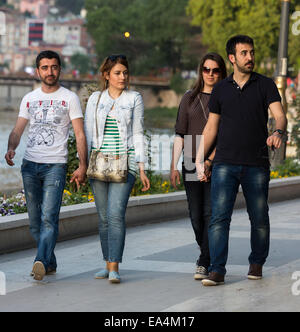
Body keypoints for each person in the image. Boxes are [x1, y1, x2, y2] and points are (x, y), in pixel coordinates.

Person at [196, 35, 287, 286]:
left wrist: (278, 132)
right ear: (233, 58)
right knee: (219, 218)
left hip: (256, 163)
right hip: (224, 163)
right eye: (244, 53)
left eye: (252, 52)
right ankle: (216, 270)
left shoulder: (265, 84)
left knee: (259, 216)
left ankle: (256, 263)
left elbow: (280, 116)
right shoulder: (221, 89)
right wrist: (199, 159)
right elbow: (211, 127)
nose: (250, 57)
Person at [5, 50, 87, 281]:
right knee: (34, 222)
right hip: (30, 165)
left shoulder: (69, 97)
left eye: (53, 67)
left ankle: (39, 261)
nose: (49, 71)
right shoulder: (29, 98)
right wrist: (12, 147)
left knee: (49, 217)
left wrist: (83, 165)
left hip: (55, 166)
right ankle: (49, 261)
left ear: (59, 69)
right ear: (38, 70)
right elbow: (18, 128)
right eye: (45, 67)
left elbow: (80, 134)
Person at [84, 54, 150, 283]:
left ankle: (114, 267)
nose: (122, 77)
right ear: (106, 75)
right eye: (117, 73)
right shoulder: (95, 99)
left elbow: (139, 132)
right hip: (99, 163)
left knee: (115, 215)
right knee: (102, 218)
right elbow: (88, 134)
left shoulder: (134, 98)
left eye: (125, 72)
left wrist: (142, 167)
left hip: (126, 162)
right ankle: (107, 262)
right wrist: (82, 164)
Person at [170, 53, 227, 280]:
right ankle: (208, 254)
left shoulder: (226, 99)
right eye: (206, 69)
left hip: (218, 158)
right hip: (192, 157)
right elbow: (180, 134)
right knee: (196, 215)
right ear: (200, 70)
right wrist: (173, 165)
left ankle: (204, 261)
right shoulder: (189, 98)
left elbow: (226, 133)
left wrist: (210, 159)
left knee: (210, 213)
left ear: (222, 72)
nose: (211, 74)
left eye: (215, 70)